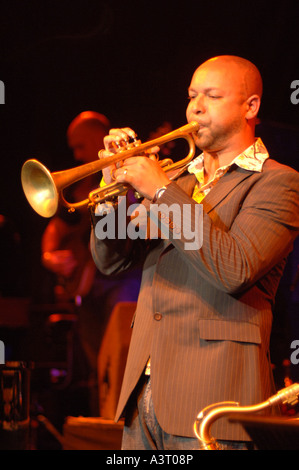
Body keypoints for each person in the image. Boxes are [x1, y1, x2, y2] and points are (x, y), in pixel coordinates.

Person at [89, 56, 299, 450]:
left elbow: (234, 268)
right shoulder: (175, 180)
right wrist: (111, 194)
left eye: (212, 96)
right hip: (142, 399)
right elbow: (111, 260)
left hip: (217, 401)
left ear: (251, 106)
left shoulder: (278, 182)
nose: (195, 108)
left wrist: (161, 193)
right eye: (191, 96)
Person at [41, 111, 141, 416]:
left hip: (121, 281)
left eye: (80, 146)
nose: (76, 155)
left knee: (120, 361)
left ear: (99, 137)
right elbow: (55, 228)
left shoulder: (125, 171)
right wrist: (49, 257)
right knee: (98, 367)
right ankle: (104, 428)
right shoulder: (77, 188)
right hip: (88, 291)